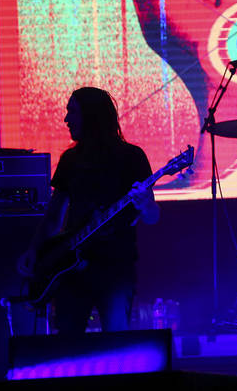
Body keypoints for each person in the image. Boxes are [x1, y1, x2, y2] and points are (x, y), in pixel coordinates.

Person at [18, 87, 159, 334]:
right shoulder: (70, 160)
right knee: (68, 342)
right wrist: (34, 249)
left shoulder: (131, 157)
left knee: (116, 341)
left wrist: (146, 205)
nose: (66, 119)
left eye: (72, 112)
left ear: (91, 116)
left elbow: (152, 217)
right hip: (70, 267)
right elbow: (54, 215)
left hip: (115, 267)